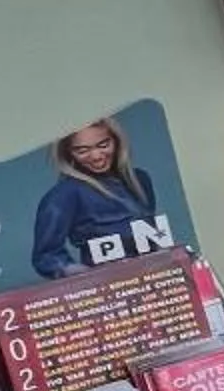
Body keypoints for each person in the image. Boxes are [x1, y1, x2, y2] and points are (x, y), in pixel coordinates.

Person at [31, 118, 160, 278]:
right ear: (68, 152)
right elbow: (46, 256)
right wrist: (82, 275)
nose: (96, 156)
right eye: (82, 151)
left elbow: (154, 235)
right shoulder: (63, 195)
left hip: (157, 279)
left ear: (116, 141)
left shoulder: (140, 179)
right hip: (110, 285)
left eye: (103, 145)